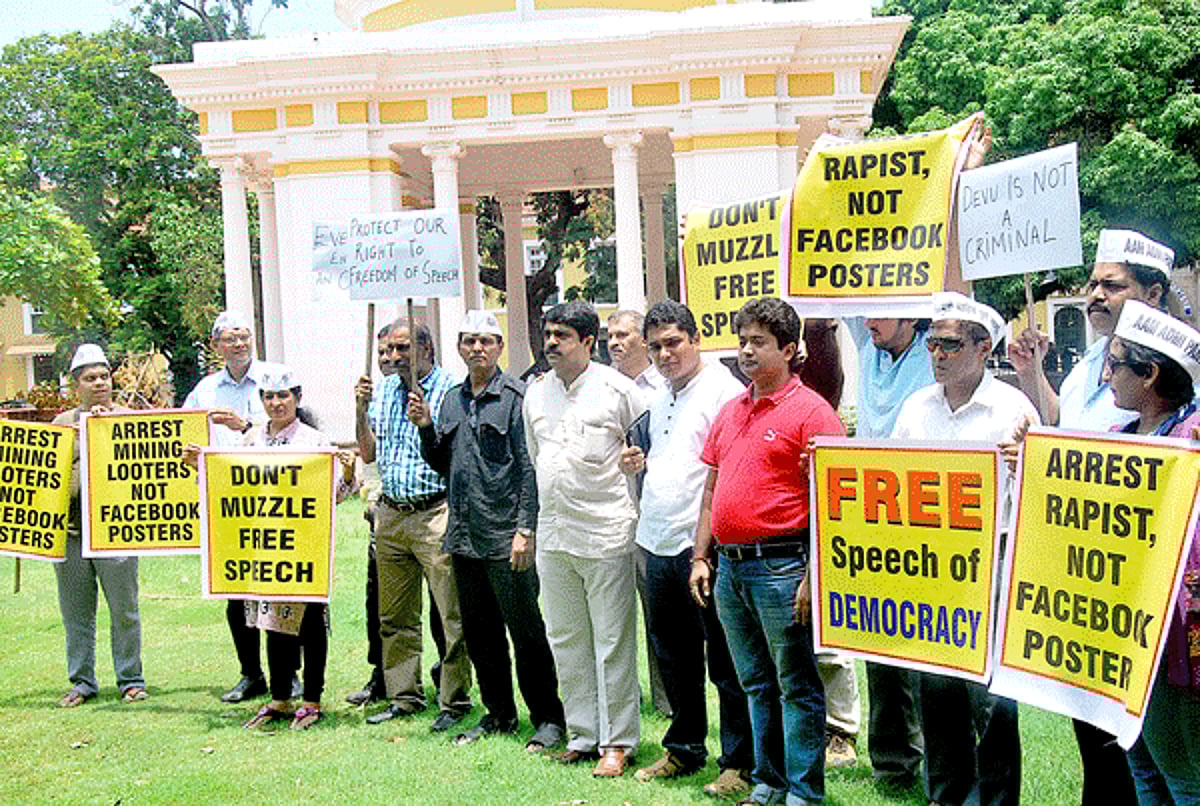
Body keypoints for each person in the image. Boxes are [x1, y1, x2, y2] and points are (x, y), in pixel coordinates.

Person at [1009, 229, 1175, 805]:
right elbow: (1067, 429)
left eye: (1112, 285)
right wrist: (1034, 388)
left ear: (1152, 294)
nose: (1093, 295)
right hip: (1087, 573)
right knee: (1096, 731)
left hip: (1141, 577)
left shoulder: (1176, 367)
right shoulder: (1092, 364)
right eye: (1092, 282)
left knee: (1150, 751)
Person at [691, 297, 846, 806]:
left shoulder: (813, 412)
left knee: (796, 686)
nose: (746, 352)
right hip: (731, 569)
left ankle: (803, 793)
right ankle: (767, 784)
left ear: (790, 348)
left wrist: (813, 576)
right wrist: (700, 556)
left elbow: (833, 502)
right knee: (755, 682)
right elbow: (711, 490)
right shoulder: (731, 410)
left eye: (758, 342)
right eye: (743, 341)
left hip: (784, 566)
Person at [892, 292, 1037, 806]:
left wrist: (1027, 468)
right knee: (937, 691)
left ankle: (997, 800)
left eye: (950, 344)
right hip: (932, 566)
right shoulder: (915, 407)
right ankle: (946, 796)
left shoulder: (1013, 408)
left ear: (983, 346)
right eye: (932, 342)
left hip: (993, 563)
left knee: (994, 701)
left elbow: (1039, 497)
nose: (937, 353)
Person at [411, 309, 566, 751]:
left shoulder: (519, 398)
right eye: (468, 340)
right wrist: (425, 429)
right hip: (463, 536)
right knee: (481, 635)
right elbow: (443, 463)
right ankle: (498, 714)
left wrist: (524, 529)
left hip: (505, 535)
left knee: (527, 634)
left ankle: (548, 718)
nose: (477, 348)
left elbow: (528, 468)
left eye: (486, 340)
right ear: (459, 347)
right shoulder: (450, 401)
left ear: (499, 347)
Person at [617, 300, 754, 797]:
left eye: (673, 342)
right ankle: (685, 748)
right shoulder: (655, 395)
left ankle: (740, 760)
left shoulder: (725, 393)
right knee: (673, 655)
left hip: (706, 546)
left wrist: (705, 549)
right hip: (656, 538)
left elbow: (728, 474)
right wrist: (639, 460)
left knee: (726, 658)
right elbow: (670, 457)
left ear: (695, 339)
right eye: (654, 347)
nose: (664, 354)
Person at [185, 367, 357, 730]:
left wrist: (345, 473)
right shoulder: (252, 441)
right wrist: (201, 465)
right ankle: (280, 698)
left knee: (309, 622)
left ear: (297, 398)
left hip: (302, 545)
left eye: (283, 396)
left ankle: (311, 699)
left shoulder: (314, 441)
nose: (276, 403)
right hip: (263, 547)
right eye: (269, 397)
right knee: (271, 619)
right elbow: (229, 483)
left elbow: (337, 496)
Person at [523, 300, 645, 777]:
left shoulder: (620, 390)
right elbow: (537, 458)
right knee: (566, 636)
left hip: (607, 530)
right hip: (555, 533)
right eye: (548, 334)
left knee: (612, 640)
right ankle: (582, 734)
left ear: (588, 343)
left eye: (562, 336)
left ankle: (617, 742)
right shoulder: (536, 393)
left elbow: (642, 452)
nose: (551, 343)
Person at [1101, 300, 1200, 804]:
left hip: (1173, 634)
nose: (1105, 375)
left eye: (1115, 364)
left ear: (1150, 373)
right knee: (1143, 770)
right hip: (1120, 631)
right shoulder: (1117, 438)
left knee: (1183, 776)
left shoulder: (1192, 437)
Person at [356, 319, 472, 732]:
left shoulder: (451, 390)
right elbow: (368, 453)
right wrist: (358, 409)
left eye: (402, 349)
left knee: (451, 615)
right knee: (395, 615)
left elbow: (457, 455)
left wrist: (427, 423)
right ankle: (404, 696)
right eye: (385, 350)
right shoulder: (384, 390)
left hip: (435, 513)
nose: (392, 358)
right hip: (391, 514)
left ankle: (454, 700)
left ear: (427, 348)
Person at [182, 310, 294, 703]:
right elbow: (184, 433)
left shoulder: (273, 377)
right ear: (216, 346)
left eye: (244, 336)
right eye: (230, 339)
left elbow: (295, 431)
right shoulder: (204, 391)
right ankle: (251, 674)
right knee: (236, 589)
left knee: (283, 585)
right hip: (226, 504)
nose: (240, 344)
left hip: (275, 498)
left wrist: (244, 427)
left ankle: (289, 672)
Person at [845, 315, 933, 787]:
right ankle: (893, 764)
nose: (865, 320)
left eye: (876, 311)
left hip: (923, 519)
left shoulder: (931, 349)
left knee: (930, 652)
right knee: (880, 645)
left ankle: (943, 763)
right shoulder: (868, 347)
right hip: (871, 515)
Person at [53, 344, 147, 707]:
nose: (99, 384)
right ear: (76, 383)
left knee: (124, 609)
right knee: (76, 613)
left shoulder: (127, 418)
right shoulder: (61, 424)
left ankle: (131, 679)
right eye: (90, 378)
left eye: (104, 376)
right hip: (71, 535)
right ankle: (82, 681)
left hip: (116, 533)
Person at [607, 308, 671, 718]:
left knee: (660, 620)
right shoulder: (599, 386)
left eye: (624, 335)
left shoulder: (663, 389)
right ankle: (619, 698)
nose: (614, 342)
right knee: (613, 619)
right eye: (610, 335)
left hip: (652, 516)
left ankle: (668, 703)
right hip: (610, 516)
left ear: (644, 341)